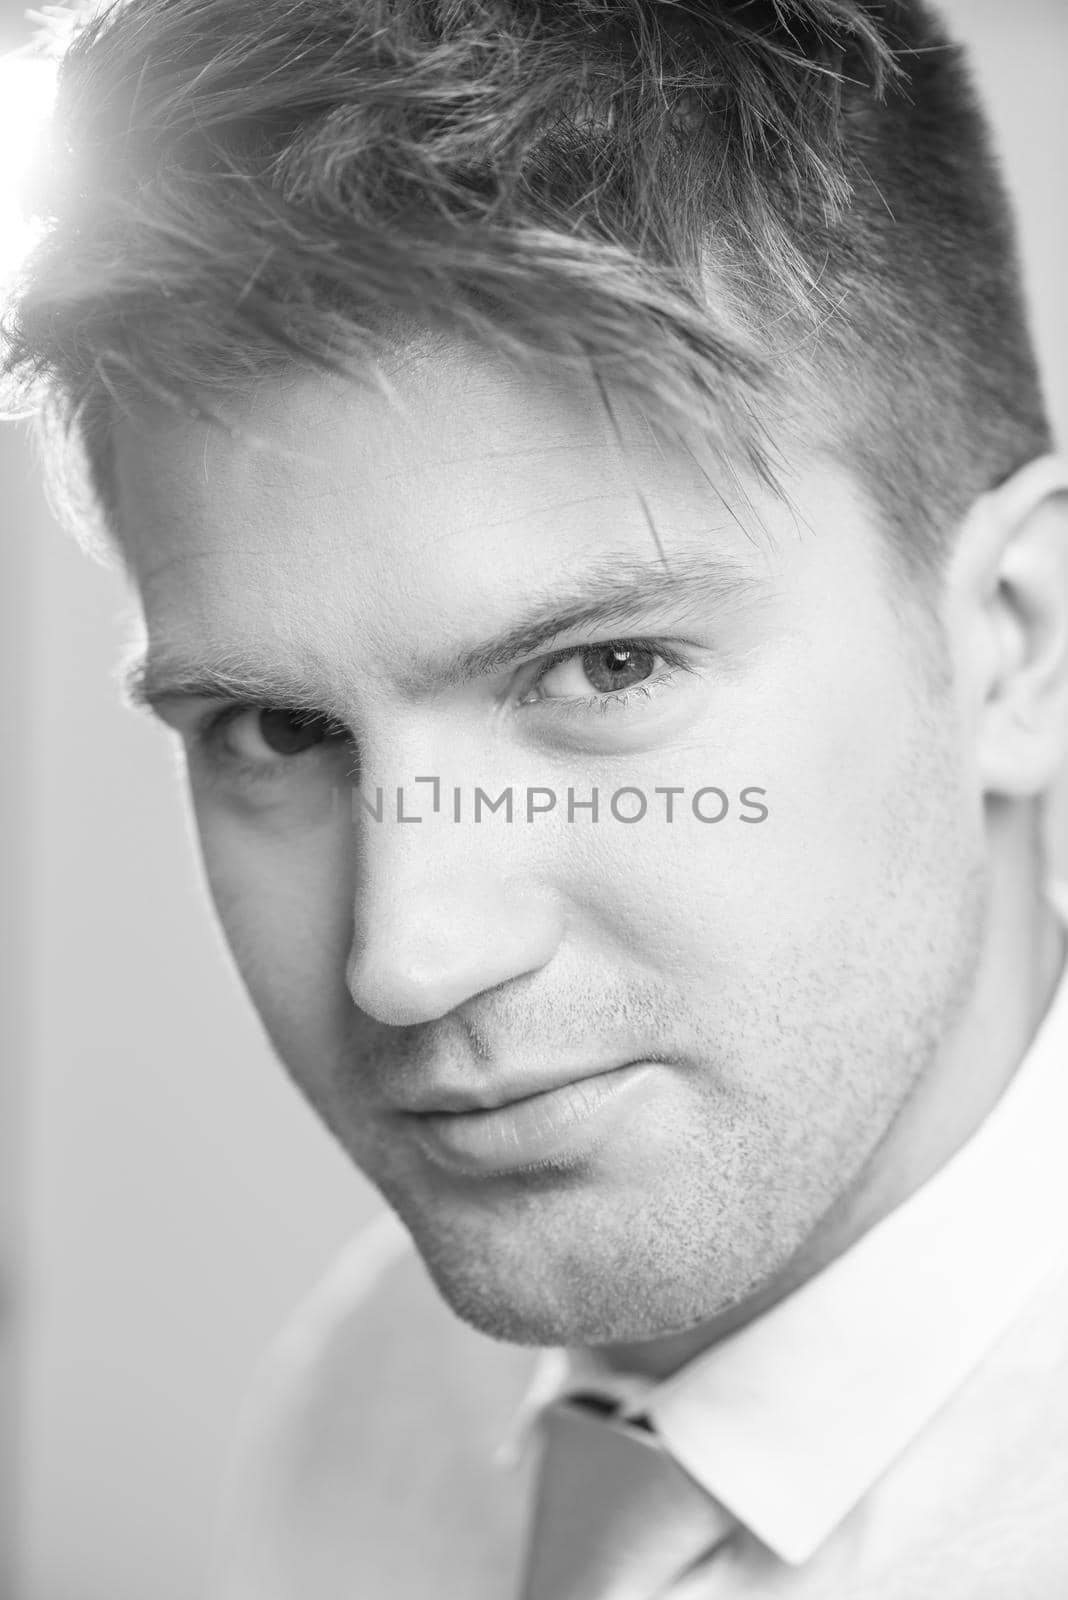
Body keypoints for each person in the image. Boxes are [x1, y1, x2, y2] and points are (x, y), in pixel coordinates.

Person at [4, 0, 1068, 1593]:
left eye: (607, 672)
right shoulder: (369, 1405)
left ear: (1014, 643)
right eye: (277, 731)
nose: (406, 959)